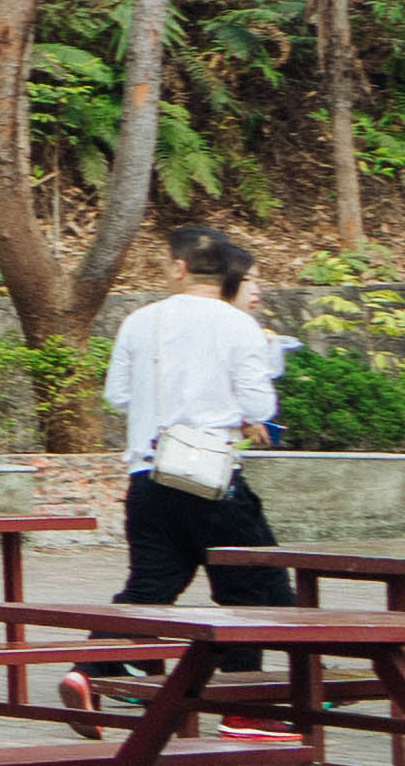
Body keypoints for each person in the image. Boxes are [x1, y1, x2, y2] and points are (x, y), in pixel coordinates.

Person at [109, 225, 302, 611]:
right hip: (213, 480)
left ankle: (95, 666)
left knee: (149, 589)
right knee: (257, 589)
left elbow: (118, 396)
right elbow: (260, 407)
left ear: (179, 268)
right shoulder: (238, 325)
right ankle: (247, 671)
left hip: (149, 477)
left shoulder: (138, 321)